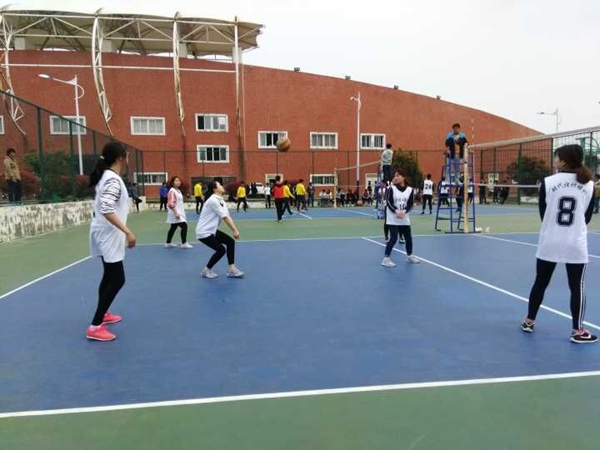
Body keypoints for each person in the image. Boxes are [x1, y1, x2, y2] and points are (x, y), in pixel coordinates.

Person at [521, 144, 597, 344]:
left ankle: (529, 321)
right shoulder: (589, 185)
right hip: (575, 243)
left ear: (563, 161)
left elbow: (543, 213)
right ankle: (577, 331)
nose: (554, 160)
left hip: (550, 241)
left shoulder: (548, 182)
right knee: (577, 287)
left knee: (540, 282)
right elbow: (587, 217)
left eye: (556, 157)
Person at [87, 142, 136, 341]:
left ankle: (104, 313)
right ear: (120, 157)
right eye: (127, 154)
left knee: (108, 276)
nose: (128, 157)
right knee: (117, 279)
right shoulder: (113, 180)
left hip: (104, 231)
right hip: (108, 234)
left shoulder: (107, 176)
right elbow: (106, 208)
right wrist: (128, 232)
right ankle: (95, 326)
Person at [196, 180, 245, 279]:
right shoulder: (213, 200)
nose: (222, 186)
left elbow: (227, 216)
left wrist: (234, 229)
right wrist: (235, 230)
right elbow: (224, 217)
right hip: (204, 232)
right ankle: (206, 270)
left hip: (212, 230)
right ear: (214, 189)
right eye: (219, 185)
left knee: (230, 242)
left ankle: (232, 269)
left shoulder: (221, 200)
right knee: (221, 250)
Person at [381, 170, 420, 266]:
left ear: (404, 178)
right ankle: (386, 259)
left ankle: (410, 256)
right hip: (393, 218)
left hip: (404, 217)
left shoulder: (410, 190)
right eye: (395, 176)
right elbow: (389, 202)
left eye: (398, 175)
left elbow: (410, 204)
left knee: (408, 238)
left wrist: (404, 212)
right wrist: (396, 211)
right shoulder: (391, 188)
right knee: (394, 238)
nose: (396, 177)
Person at [165, 176, 192, 249]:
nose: (178, 182)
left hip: (179, 213)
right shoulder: (172, 191)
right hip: (176, 213)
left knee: (173, 227)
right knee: (184, 226)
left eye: (179, 181)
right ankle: (184, 243)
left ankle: (168, 243)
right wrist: (176, 213)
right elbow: (171, 204)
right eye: (176, 181)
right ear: (172, 182)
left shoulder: (178, 191)